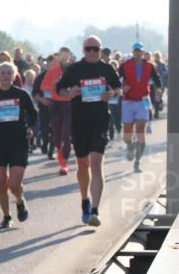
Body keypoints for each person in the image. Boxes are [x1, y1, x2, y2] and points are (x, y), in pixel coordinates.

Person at [56, 35, 122, 226]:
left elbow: (118, 88)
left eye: (96, 49)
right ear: (83, 50)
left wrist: (112, 93)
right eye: (88, 49)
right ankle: (84, 200)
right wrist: (70, 93)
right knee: (82, 164)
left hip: (100, 122)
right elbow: (59, 89)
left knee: (96, 163)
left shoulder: (107, 68)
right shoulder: (75, 69)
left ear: (100, 50)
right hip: (80, 123)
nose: (92, 52)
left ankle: (95, 210)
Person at [0, 63, 37, 229]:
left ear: (14, 75)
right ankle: (6, 216)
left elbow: (33, 115)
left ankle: (20, 200)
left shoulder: (21, 95)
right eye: (2, 73)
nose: (5, 76)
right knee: (0, 182)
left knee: (13, 184)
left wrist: (31, 129)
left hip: (18, 142)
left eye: (9, 73)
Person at [118, 42, 161, 173]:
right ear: (133, 52)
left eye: (139, 51)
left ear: (143, 52)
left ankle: (137, 162)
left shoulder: (149, 66)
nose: (137, 53)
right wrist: (121, 88)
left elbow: (157, 81)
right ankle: (130, 145)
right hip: (128, 101)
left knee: (141, 130)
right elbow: (115, 81)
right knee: (127, 135)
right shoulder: (125, 66)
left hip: (142, 100)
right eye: (135, 51)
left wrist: (158, 91)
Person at [38, 47, 73, 175]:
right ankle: (62, 161)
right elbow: (43, 86)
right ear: (59, 56)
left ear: (69, 56)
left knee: (66, 135)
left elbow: (79, 84)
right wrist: (52, 85)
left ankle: (65, 164)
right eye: (61, 55)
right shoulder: (53, 71)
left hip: (69, 104)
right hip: (55, 105)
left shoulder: (73, 70)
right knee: (57, 137)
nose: (64, 57)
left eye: (66, 54)